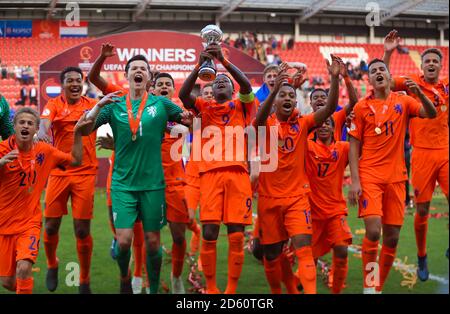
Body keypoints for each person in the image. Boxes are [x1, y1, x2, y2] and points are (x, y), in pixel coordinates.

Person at [78, 54, 193, 294]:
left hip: (153, 185)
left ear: (149, 77)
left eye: (144, 68)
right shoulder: (115, 103)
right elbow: (86, 128)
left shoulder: (161, 104)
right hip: (123, 184)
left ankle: (152, 289)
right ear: (127, 75)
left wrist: (188, 120)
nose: (139, 71)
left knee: (152, 243)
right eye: (134, 68)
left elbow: (187, 121)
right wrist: (98, 105)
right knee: (124, 242)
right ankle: (125, 276)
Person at [253, 54, 343, 294]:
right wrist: (275, 91)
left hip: (297, 198)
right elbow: (258, 118)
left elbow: (330, 109)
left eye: (291, 96)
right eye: (283, 95)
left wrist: (334, 79)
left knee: (304, 247)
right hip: (269, 200)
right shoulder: (265, 123)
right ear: (274, 101)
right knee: (271, 254)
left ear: (296, 102)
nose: (288, 98)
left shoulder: (302, 123)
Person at [348, 58, 437, 294]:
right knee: (374, 231)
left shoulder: (404, 100)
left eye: (382, 70)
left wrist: (419, 93)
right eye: (373, 71)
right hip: (370, 175)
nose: (378, 73)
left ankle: (377, 287)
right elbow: (354, 144)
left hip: (397, 178)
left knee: (392, 238)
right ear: (369, 79)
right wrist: (355, 181)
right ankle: (369, 286)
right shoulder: (361, 108)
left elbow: (430, 113)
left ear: (389, 76)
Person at [179, 43, 256, 294]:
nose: (221, 82)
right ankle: (211, 288)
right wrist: (199, 65)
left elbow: (245, 85)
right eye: (217, 81)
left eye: (225, 81)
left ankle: (231, 290)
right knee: (210, 231)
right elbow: (183, 94)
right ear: (210, 88)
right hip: (210, 175)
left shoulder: (243, 106)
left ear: (233, 89)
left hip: (238, 174)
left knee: (236, 235)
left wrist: (223, 61)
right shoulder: (205, 108)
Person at [383, 30, 449, 281]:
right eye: (428, 61)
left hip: (445, 152)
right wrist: (388, 52)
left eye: (436, 61)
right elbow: (385, 82)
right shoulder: (411, 82)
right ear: (421, 66)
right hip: (421, 155)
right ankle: (422, 256)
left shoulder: (446, 87)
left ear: (441, 66)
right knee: (422, 210)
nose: (431, 64)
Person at [0, 107, 86, 294]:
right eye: (21, 122)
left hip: (28, 223)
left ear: (36, 129)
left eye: (30, 123)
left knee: (23, 268)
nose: (25, 126)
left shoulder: (45, 151)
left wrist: (78, 134)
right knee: (7, 282)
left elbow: (76, 161)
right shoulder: (2, 150)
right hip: (3, 225)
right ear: (14, 127)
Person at [38, 67, 99, 294]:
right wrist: (43, 132)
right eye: (70, 80)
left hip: (85, 173)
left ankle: (84, 280)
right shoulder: (53, 105)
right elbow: (44, 122)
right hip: (59, 172)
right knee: (51, 225)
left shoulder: (92, 104)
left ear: (82, 84)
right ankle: (52, 264)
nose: (74, 83)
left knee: (82, 230)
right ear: (63, 84)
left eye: (78, 80)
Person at [306, 117, 352, 294]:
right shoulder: (308, 147)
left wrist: (354, 128)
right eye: (321, 124)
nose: (324, 126)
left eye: (328, 124)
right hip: (312, 212)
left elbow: (364, 146)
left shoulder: (343, 148)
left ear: (334, 129)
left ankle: (337, 291)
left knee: (341, 249)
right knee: (310, 257)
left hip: (335, 210)